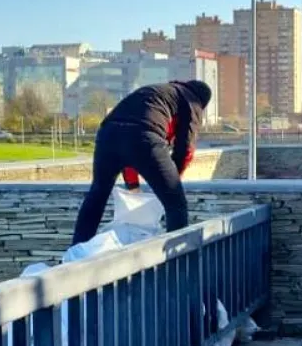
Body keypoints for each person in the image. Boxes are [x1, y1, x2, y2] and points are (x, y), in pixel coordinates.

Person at [71, 80, 211, 246]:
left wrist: (132, 185)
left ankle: (76, 254)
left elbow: (128, 141)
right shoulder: (192, 100)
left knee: (97, 196)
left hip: (108, 134)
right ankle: (177, 262)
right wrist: (172, 180)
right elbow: (185, 149)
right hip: (145, 136)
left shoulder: (157, 91)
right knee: (176, 204)